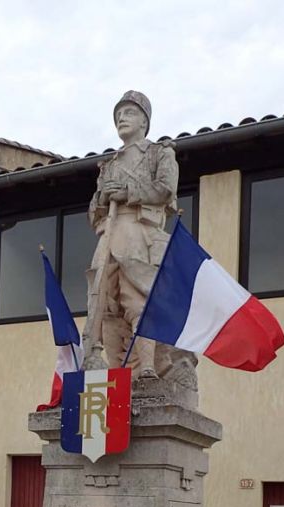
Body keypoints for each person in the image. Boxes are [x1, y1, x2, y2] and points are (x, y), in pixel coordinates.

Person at [82, 90, 192, 383]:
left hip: (140, 233)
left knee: (139, 299)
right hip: (109, 234)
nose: (121, 118)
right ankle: (101, 364)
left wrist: (128, 192)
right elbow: (93, 212)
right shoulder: (109, 164)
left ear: (144, 121)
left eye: (129, 112)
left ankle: (147, 367)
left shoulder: (159, 153)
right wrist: (103, 197)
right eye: (118, 114)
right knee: (102, 302)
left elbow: (166, 189)